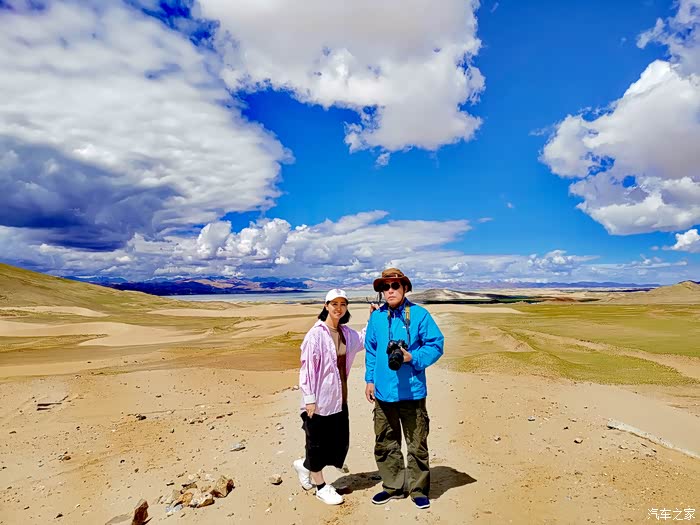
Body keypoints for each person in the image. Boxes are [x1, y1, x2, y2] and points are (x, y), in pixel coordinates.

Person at [364, 268, 444, 510]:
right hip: (383, 393)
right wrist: (370, 380)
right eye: (385, 287)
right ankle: (393, 486)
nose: (390, 290)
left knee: (417, 443)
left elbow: (436, 344)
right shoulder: (376, 318)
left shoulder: (419, 315)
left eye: (395, 285)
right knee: (386, 441)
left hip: (412, 392)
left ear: (405, 288)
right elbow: (371, 350)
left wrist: (413, 357)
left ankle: (418, 489)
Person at [293, 288, 366, 505]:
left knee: (337, 444)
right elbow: (307, 369)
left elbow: (362, 340)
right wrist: (309, 399)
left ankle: (304, 466)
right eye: (334, 304)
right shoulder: (316, 335)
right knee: (316, 445)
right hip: (318, 402)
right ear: (326, 306)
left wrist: (373, 318)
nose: (338, 308)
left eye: (343, 304)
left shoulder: (346, 333)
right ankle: (321, 487)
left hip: (339, 399)